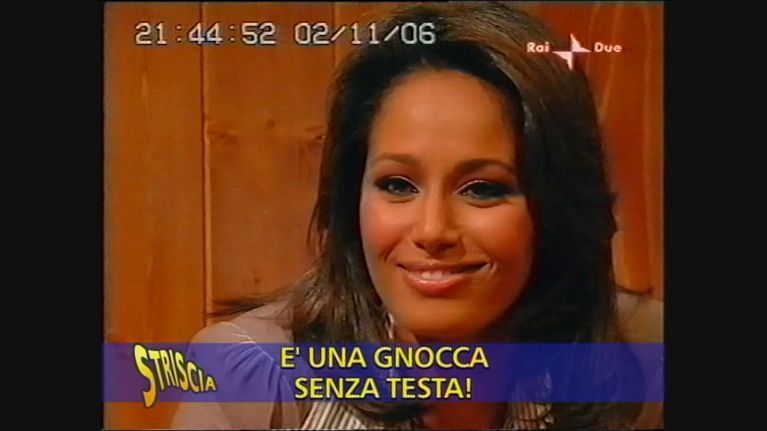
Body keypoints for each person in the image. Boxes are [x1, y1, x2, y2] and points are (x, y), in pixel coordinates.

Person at [172, 3, 662, 429]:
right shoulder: (249, 374)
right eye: (397, 185)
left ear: (556, 204)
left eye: (483, 189)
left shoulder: (642, 355)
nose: (432, 230)